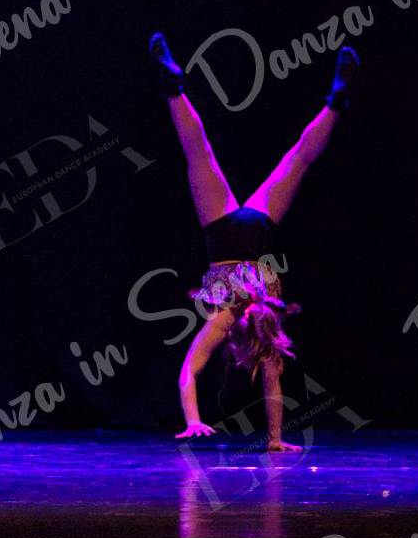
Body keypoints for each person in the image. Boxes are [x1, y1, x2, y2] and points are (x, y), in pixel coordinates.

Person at [149, 32, 355, 452]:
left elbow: (264, 387)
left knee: (298, 158)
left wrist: (203, 423)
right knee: (199, 152)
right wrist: (195, 420)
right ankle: (174, 90)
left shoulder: (263, 327)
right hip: (223, 235)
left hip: (257, 232)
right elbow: (189, 371)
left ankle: (335, 104)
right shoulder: (229, 323)